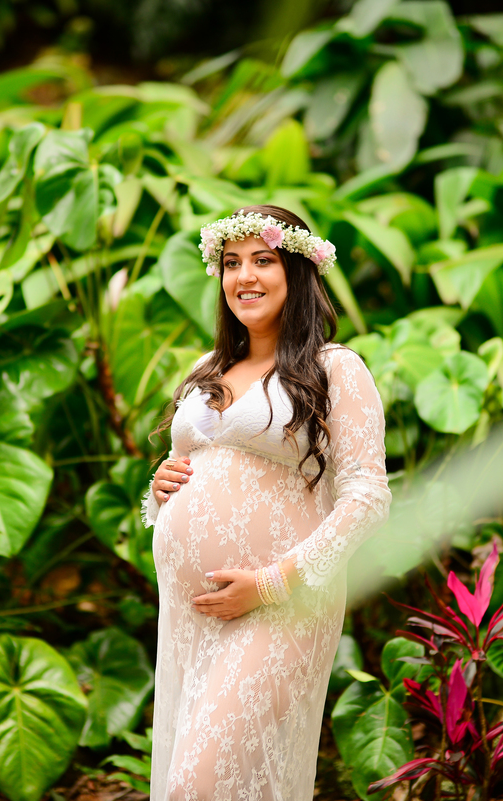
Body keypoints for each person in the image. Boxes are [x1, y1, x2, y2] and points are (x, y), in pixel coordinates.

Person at [141, 205, 393, 801]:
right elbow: (200, 472)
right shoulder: (208, 368)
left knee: (196, 785)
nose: (244, 276)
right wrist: (159, 490)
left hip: (283, 605)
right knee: (222, 781)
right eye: (231, 263)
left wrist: (274, 583)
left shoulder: (335, 369)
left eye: (263, 260)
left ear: (298, 273)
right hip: (192, 613)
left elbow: (366, 497)